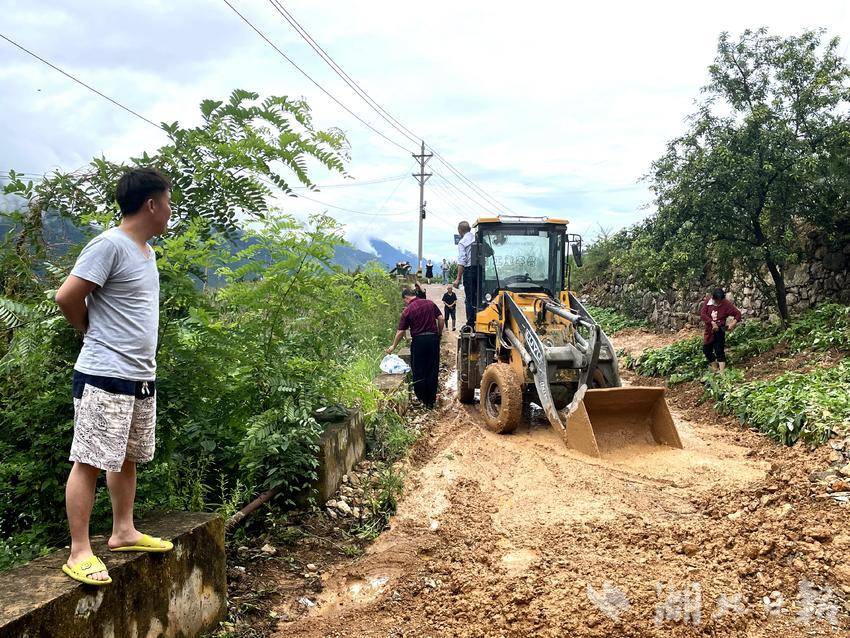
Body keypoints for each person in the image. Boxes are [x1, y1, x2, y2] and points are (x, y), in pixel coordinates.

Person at [54, 168, 174, 586]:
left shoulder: (147, 252)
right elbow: (67, 296)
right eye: (168, 201)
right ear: (151, 204)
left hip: (139, 375)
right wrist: (90, 331)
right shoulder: (108, 245)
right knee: (88, 459)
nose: (170, 210)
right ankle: (80, 550)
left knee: (126, 456)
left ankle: (123, 531)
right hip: (104, 372)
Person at [387, 289, 444, 407]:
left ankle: (422, 398)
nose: (405, 303)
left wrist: (393, 346)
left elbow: (401, 331)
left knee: (418, 370)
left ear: (406, 297)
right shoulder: (430, 303)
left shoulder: (408, 310)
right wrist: (439, 333)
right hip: (433, 339)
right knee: (432, 369)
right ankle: (430, 401)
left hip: (418, 342)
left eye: (404, 301)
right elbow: (441, 318)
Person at [699, 288, 742, 372]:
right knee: (706, 350)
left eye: (720, 301)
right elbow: (703, 314)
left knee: (719, 350)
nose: (719, 302)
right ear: (714, 298)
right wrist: (711, 322)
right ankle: (715, 368)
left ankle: (722, 372)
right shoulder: (708, 302)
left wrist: (732, 324)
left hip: (719, 330)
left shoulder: (726, 304)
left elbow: (737, 314)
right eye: (717, 300)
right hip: (709, 330)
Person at [453, 221, 477, 328]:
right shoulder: (478, 238)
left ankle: (471, 322)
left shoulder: (462, 242)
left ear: (460, 230)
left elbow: (462, 261)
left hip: (469, 271)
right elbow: (490, 252)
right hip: (480, 271)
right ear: (470, 229)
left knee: (469, 298)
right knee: (478, 297)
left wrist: (458, 279)